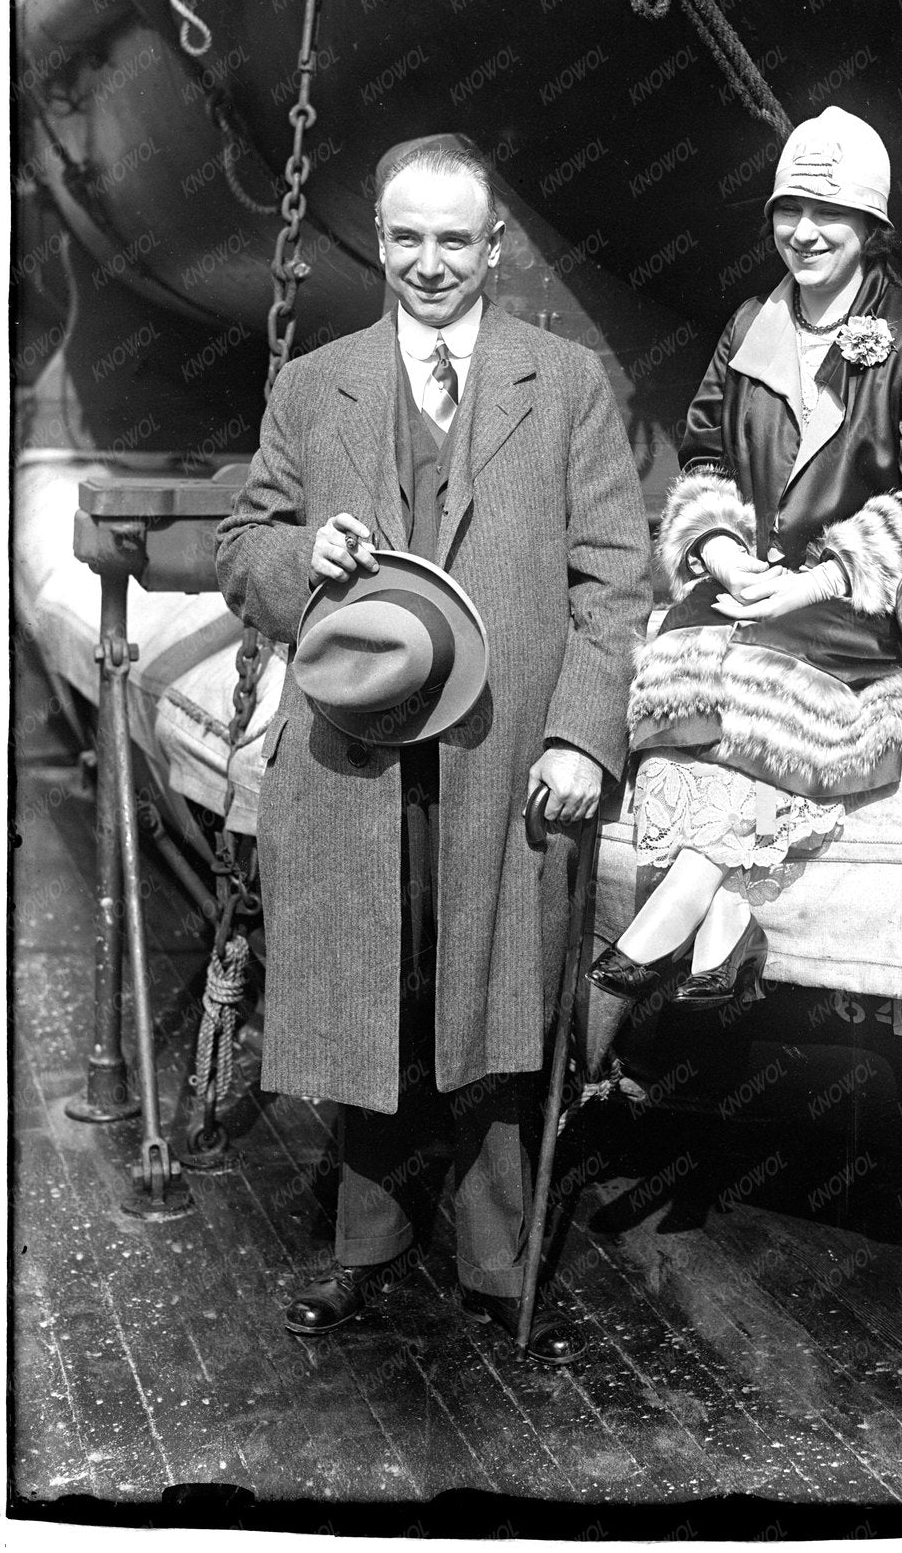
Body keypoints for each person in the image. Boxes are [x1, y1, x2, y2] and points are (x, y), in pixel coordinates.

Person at [215, 132, 652, 1364]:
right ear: (379, 237)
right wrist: (307, 554)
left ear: (495, 248)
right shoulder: (318, 383)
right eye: (406, 236)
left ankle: (495, 1256)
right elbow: (244, 541)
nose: (429, 262)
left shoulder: (564, 383)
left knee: (497, 1000)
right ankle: (363, 1245)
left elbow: (615, 583)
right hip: (356, 753)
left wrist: (581, 734)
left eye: (455, 239)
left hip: (507, 758)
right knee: (370, 991)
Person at [590, 106, 902, 1011]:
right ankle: (728, 921)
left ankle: (685, 903)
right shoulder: (750, 322)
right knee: (677, 677)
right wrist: (722, 553)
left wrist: (813, 580)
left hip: (854, 598)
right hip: (749, 579)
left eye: (829, 214)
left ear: (871, 231)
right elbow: (704, 458)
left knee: (770, 689)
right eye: (787, 209)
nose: (803, 233)